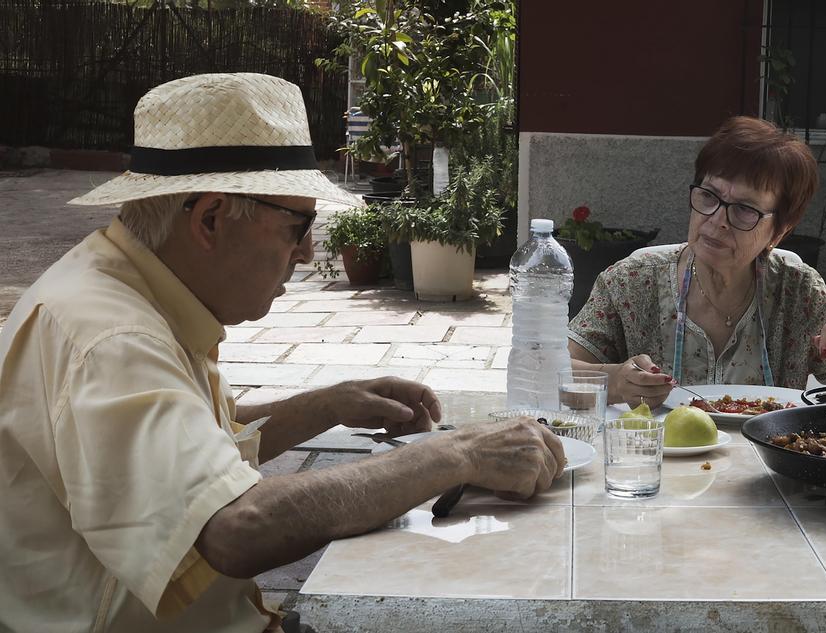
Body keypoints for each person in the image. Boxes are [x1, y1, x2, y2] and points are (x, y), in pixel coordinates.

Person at [0, 73, 564, 633]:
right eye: (300, 225)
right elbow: (236, 527)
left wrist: (327, 405)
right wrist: (457, 454)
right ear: (211, 218)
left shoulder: (131, 286)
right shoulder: (114, 338)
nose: (308, 252)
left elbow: (191, 449)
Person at [567, 116, 826, 407]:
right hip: (657, 469)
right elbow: (545, 372)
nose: (717, 219)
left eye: (745, 210)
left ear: (779, 231)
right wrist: (615, 381)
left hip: (765, 472)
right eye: (709, 196)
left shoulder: (797, 290)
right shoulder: (632, 280)